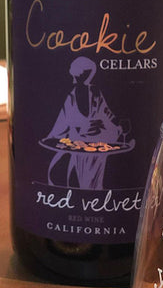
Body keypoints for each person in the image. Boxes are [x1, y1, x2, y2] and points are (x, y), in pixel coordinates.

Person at [45, 56, 124, 190]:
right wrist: (81, 126)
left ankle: (94, 196)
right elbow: (63, 122)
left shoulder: (95, 93)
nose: (88, 77)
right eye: (85, 74)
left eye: (89, 74)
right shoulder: (71, 97)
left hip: (98, 141)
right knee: (64, 173)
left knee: (96, 178)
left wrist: (119, 124)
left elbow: (107, 112)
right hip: (78, 142)